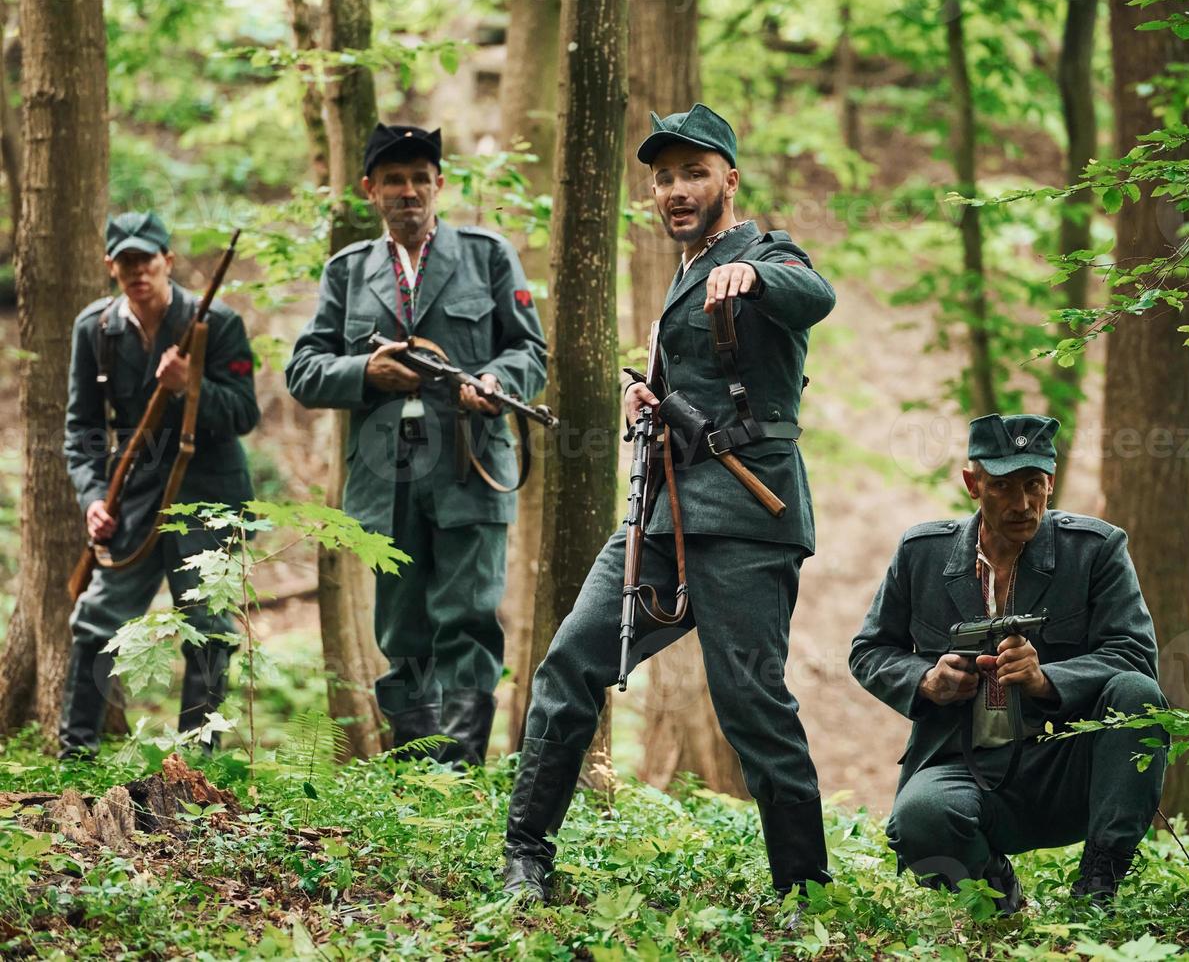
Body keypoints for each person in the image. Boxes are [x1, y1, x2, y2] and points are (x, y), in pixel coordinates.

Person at [501, 103, 837, 903]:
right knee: (569, 664)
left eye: (693, 172)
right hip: (660, 518)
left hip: (749, 522)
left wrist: (757, 275)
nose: (676, 189)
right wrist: (643, 398)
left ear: (729, 178)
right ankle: (525, 857)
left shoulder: (763, 250)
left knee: (752, 706)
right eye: (663, 178)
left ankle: (806, 891)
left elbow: (814, 295)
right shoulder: (682, 275)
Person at [285, 123, 547, 766]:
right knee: (402, 633)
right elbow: (304, 370)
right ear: (371, 190)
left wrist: (496, 380)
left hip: (469, 466)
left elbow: (530, 351)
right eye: (395, 180)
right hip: (385, 475)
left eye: (420, 179)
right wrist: (363, 373)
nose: (409, 192)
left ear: (439, 185)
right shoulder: (348, 272)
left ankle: (454, 781)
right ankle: (415, 780)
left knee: (468, 617)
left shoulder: (486, 255)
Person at [848, 414, 1168, 911]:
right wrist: (927, 680)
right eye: (1001, 487)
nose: (1021, 504)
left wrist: (1046, 680)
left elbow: (1133, 655)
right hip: (963, 762)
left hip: (1068, 761)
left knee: (1137, 695)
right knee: (920, 821)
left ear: (1051, 482)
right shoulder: (922, 554)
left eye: (1033, 485)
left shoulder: (1096, 550)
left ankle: (1097, 887)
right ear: (972, 484)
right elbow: (869, 650)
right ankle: (1002, 901)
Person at [60, 211, 260, 758]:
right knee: (97, 619)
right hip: (134, 496)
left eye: (146, 260)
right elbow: (80, 430)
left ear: (166, 261)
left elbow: (244, 412)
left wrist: (190, 386)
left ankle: (201, 764)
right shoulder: (95, 329)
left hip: (210, 493)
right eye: (125, 262)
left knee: (209, 625)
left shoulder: (216, 324)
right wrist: (93, 497)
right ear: (111, 267)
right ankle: (75, 755)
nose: (136, 271)